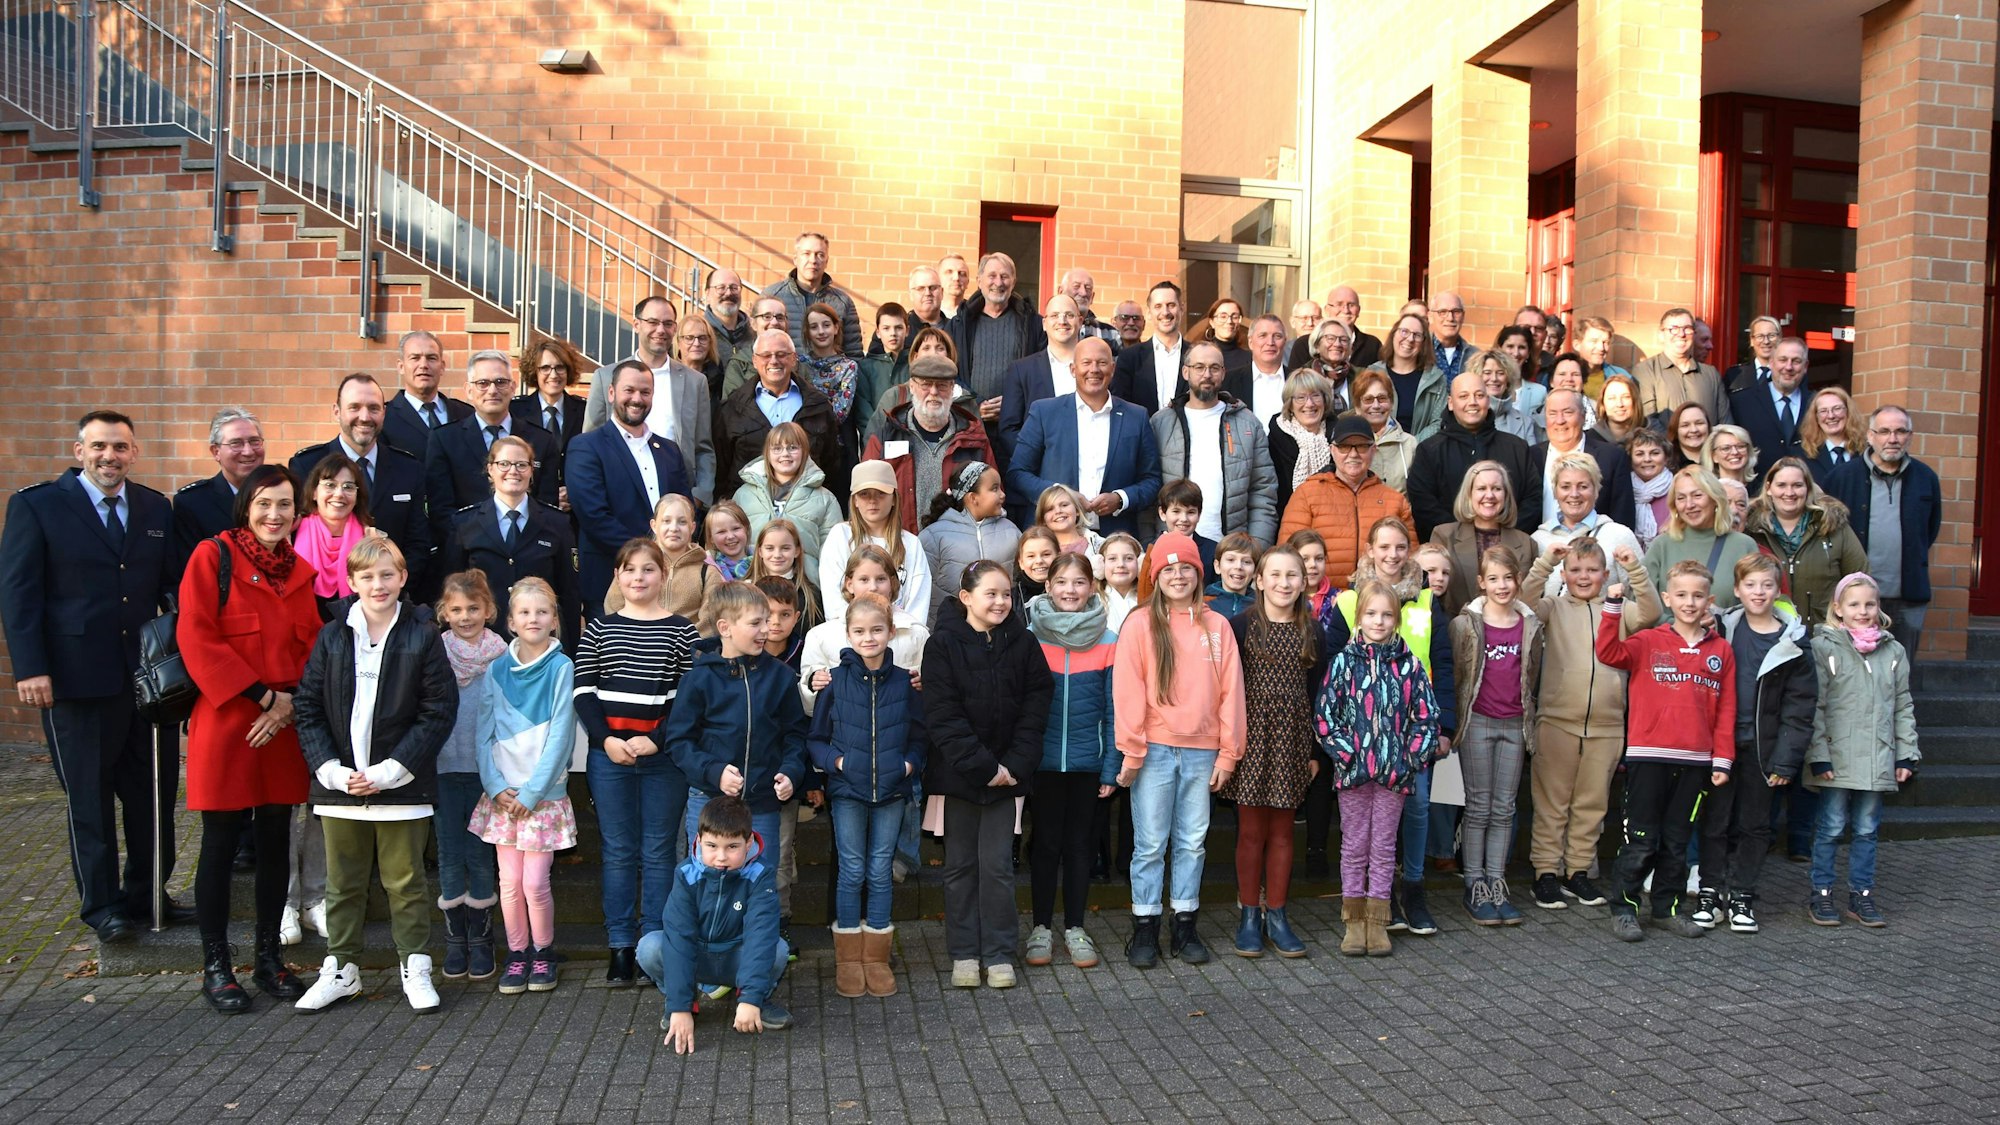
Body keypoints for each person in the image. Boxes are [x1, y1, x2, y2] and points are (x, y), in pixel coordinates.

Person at [0, 410, 180, 945]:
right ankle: (102, 907)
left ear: (134, 452)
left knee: (152, 794)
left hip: (148, 684)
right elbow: (19, 594)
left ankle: (149, 894)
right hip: (75, 681)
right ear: (79, 450)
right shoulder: (37, 505)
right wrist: (31, 668)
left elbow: (168, 588)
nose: (110, 456)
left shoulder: (154, 507)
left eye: (121, 447)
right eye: (99, 446)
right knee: (90, 798)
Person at [291, 536, 458, 1011]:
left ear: (403, 578)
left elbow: (438, 710)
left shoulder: (422, 635)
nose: (378, 584)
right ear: (350, 582)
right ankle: (341, 969)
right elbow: (307, 707)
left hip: (401, 786)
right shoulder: (331, 636)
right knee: (342, 884)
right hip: (340, 786)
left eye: (388, 574)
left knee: (404, 883)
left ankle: (416, 967)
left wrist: (390, 770)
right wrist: (331, 770)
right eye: (367, 576)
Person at [178, 465, 320, 1011]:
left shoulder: (301, 572)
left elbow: (312, 651)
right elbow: (197, 637)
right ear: (245, 506)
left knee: (274, 840)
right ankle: (215, 966)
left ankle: (267, 959)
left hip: (281, 725)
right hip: (230, 718)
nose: (274, 515)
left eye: (284, 505)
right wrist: (266, 699)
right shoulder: (212, 558)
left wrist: (286, 707)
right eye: (264, 503)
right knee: (218, 843)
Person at [1113, 532, 1245, 969]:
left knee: (1192, 842)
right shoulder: (1139, 624)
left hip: (1202, 752)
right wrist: (1132, 751)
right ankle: (1145, 926)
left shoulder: (1217, 625)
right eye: (1168, 569)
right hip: (1153, 752)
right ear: (1156, 576)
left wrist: (1229, 753)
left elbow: (1231, 693)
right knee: (1150, 844)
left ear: (1199, 573)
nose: (1177, 575)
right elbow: (1128, 691)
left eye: (1186, 567)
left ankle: (1184, 923)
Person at [922, 561, 1052, 988]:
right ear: (966, 598)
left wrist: (1012, 766)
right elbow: (942, 715)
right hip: (960, 776)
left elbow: (1036, 707)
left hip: (1008, 778)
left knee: (997, 866)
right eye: (989, 594)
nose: (999, 602)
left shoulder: (1024, 643)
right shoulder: (942, 645)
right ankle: (963, 953)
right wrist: (983, 766)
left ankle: (998, 952)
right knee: (960, 866)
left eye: (1004, 594)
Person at [574, 539, 698, 985]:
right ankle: (621, 947)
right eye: (629, 570)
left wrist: (656, 740)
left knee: (659, 851)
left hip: (662, 760)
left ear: (662, 575)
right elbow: (584, 692)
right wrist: (607, 740)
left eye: (648, 569)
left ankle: (655, 945)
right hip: (609, 759)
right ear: (618, 577)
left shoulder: (682, 630)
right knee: (619, 851)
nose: (638, 578)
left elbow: (688, 699)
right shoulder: (599, 630)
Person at [1595, 558, 1735, 943]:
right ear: (1667, 598)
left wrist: (1721, 759)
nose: (1690, 602)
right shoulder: (1648, 641)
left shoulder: (1720, 650)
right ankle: (1624, 908)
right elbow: (1608, 653)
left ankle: (1666, 908)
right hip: (1647, 757)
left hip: (1695, 762)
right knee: (1640, 838)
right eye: (1682, 595)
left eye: (1698, 595)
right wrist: (1612, 606)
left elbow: (1727, 709)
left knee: (1676, 841)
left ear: (1710, 600)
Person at [1334, 517, 1456, 936]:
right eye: (1383, 547)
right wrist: (1344, 747)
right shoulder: (1349, 603)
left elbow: (1441, 663)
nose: (1392, 555)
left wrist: (1442, 728)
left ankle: (1413, 890)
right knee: (1363, 836)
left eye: (1400, 547)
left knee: (1418, 808)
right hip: (1360, 746)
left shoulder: (1425, 599)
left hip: (1409, 742)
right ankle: (1367, 907)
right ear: (1370, 549)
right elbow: (1331, 684)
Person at [1522, 537, 1659, 910]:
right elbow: (1524, 602)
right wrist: (1545, 563)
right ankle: (1546, 873)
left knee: (1591, 804)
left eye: (1593, 570)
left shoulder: (1620, 608)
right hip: (1557, 721)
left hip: (1607, 725)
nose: (1584, 577)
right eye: (1576, 570)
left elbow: (1651, 612)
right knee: (1552, 802)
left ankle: (1578, 872)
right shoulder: (1554, 607)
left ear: (1605, 574)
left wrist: (1635, 569)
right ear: (1565, 575)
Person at [1317, 578, 1444, 958]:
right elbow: (1326, 717)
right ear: (1358, 618)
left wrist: (1409, 757)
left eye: (1386, 615)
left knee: (1385, 847)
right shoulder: (1343, 663)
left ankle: (1378, 920)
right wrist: (1347, 755)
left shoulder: (1410, 666)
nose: (1378, 621)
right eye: (1371, 614)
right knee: (1355, 846)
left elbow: (1427, 718)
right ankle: (1354, 921)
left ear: (1397, 620)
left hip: (1394, 775)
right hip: (1354, 775)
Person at [809, 593, 925, 997]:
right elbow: (816, 740)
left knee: (880, 870)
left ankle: (876, 956)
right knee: (852, 870)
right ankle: (848, 958)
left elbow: (919, 737)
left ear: (891, 632)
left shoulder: (905, 682)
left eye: (877, 630)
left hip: (892, 791)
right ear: (848, 634)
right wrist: (838, 764)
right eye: (859, 631)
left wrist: (908, 766)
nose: (869, 638)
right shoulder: (834, 682)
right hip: (847, 792)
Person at [1697, 554, 1816, 934]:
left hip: (1764, 752)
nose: (1759, 592)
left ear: (1777, 589)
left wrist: (1786, 761)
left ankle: (1743, 895)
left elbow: (1800, 709)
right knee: (1715, 823)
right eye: (1750, 585)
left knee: (1755, 825)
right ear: (1737, 590)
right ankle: (1711, 891)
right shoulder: (1721, 629)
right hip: (1721, 747)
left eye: (1766, 585)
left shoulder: (1793, 642)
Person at [471, 578, 578, 995]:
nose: (533, 619)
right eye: (524, 613)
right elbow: (483, 734)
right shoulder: (497, 668)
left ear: (554, 620)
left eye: (542, 612)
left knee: (535, 882)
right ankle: (517, 955)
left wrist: (533, 792)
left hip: (541, 798)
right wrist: (496, 786)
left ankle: (543, 951)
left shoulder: (560, 667)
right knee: (509, 883)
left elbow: (561, 736)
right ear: (511, 621)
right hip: (502, 798)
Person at [1221, 544, 1328, 958]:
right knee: (1250, 832)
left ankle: (1278, 915)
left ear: (1304, 582)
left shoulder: (1313, 629)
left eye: (1293, 575)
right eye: (1276, 575)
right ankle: (1250, 913)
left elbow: (1320, 692)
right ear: (1259, 581)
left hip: (1293, 742)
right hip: (1250, 740)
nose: (1284, 583)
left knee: (1283, 832)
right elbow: (1226, 689)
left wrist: (1316, 751)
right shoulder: (1240, 626)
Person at [1803, 573, 1920, 928]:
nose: (1863, 611)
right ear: (1838, 609)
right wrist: (1818, 753)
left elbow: (1903, 705)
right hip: (1836, 758)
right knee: (1831, 827)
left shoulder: (1893, 651)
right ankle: (1821, 894)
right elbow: (1816, 706)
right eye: (1854, 604)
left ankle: (1861, 895)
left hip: (1878, 756)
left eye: (1870, 604)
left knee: (1868, 829)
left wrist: (1906, 752)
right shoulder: (1824, 647)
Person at [1021, 551, 1118, 971]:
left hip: (1087, 764)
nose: (1070, 590)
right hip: (1040, 763)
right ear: (1047, 587)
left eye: (1079, 582)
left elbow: (1116, 708)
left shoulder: (1110, 640)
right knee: (1043, 846)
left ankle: (1075, 926)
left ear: (1092, 587)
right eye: (1061, 582)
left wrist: (1112, 764)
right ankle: (1041, 925)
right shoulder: (1028, 638)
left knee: (1080, 848)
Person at [666, 581, 809, 862]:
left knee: (760, 884)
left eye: (766, 621)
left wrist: (791, 771)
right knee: (708, 883)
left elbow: (795, 734)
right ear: (725, 628)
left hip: (763, 805)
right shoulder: (698, 679)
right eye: (756, 623)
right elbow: (679, 741)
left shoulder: (780, 677)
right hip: (709, 801)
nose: (766, 630)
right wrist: (714, 771)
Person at [647, 794, 793, 1051]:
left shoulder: (760, 875)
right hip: (698, 956)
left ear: (749, 843)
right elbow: (679, 938)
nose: (721, 857)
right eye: (712, 846)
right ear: (699, 840)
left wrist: (749, 998)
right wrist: (680, 1007)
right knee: (649, 947)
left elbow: (760, 936)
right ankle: (683, 1000)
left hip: (735, 956)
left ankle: (755, 1000)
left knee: (778, 949)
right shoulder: (685, 875)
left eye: (732, 847)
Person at [1448, 548, 1542, 926]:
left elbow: (1533, 675)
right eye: (1494, 579)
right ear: (1481, 583)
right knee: (1479, 806)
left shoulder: (1530, 624)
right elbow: (1457, 675)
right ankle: (1475, 884)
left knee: (1504, 808)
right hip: (1478, 724)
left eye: (1508, 578)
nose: (1502, 586)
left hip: (1514, 724)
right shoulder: (1465, 624)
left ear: (1518, 581)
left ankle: (1496, 881)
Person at [566, 360, 695, 614]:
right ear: (612, 393)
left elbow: (686, 509)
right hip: (609, 578)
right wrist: (651, 554)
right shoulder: (586, 447)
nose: (637, 399)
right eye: (629, 390)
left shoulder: (669, 450)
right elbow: (594, 516)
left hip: (668, 584)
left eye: (645, 392)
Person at [288, 374, 432, 592]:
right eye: (354, 407)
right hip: (321, 602)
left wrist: (391, 592)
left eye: (373, 408)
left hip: (392, 601)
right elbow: (296, 536)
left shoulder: (408, 468)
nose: (364, 417)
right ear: (337, 411)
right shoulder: (306, 466)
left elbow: (417, 544)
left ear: (384, 413)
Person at [1005, 337, 1161, 536]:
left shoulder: (1136, 417)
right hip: (1054, 537)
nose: (1094, 369)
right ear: (1073, 369)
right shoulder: (1045, 412)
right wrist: (1060, 495)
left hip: (1114, 541)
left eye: (1102, 363)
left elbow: (1152, 480)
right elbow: (1017, 473)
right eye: (1086, 362)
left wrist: (1121, 498)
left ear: (1112, 369)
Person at [431, 569, 506, 982]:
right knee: (449, 852)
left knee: (479, 853)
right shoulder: (435, 651)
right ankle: (455, 938)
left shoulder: (502, 656)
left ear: (489, 610)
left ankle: (481, 939)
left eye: (473, 608)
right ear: (445, 612)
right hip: (442, 767)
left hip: (484, 772)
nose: (465, 616)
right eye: (456, 609)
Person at [1823, 405, 1941, 661]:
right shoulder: (1841, 477)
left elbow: (1929, 530)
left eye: (1900, 431)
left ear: (1910, 436)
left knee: (1902, 669)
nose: (1892, 439)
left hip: (1908, 596)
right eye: (1884, 431)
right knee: (1854, 670)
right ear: (1870, 435)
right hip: (1856, 599)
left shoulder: (1926, 478)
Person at [438, 434, 579, 643]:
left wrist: (570, 649)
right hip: (482, 644)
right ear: (490, 469)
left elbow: (569, 593)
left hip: (539, 642)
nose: (513, 471)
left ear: (532, 471)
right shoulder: (464, 523)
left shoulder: (557, 523)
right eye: (504, 464)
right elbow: (451, 589)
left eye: (522, 464)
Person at [583, 299, 716, 503]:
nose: (660, 330)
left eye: (667, 323)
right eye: (653, 322)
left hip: (677, 496)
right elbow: (590, 442)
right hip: (618, 493)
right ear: (637, 325)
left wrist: (699, 497)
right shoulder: (605, 377)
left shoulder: (695, 382)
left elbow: (703, 448)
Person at [1151, 341, 1279, 546]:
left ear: (1223, 372)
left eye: (1214, 368)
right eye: (1199, 367)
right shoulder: (1162, 423)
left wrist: (1256, 546)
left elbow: (1263, 491)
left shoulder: (1248, 423)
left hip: (1230, 550)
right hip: (1172, 547)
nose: (1207, 374)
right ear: (1185, 372)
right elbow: (1150, 487)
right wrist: (1152, 542)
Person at [863, 355, 997, 534]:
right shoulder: (886, 435)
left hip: (957, 548)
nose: (933, 392)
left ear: (952, 389)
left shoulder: (975, 440)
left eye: (942, 385)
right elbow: (864, 494)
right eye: (925, 384)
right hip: (899, 544)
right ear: (912, 386)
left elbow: (994, 497)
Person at [1278, 414, 1416, 585]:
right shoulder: (1307, 494)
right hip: (1319, 604)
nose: (1353, 454)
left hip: (1378, 602)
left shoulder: (1394, 500)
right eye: (1344, 447)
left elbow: (1411, 562)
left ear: (1374, 450)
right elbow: (1286, 557)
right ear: (1332, 450)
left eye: (1362, 446)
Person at [1406, 371, 1539, 540]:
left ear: (1488, 400)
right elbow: (1423, 504)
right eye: (1463, 396)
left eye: (1479, 395)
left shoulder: (1516, 447)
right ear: (1451, 403)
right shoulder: (1430, 450)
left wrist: (1506, 537)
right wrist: (1462, 540)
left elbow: (1533, 498)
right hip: (1449, 552)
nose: (1472, 402)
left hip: (1509, 552)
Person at [715, 329, 843, 502]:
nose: (774, 361)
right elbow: (722, 466)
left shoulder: (818, 406)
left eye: (781, 354)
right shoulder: (733, 407)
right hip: (749, 507)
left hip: (804, 505)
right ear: (754, 360)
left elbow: (831, 463)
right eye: (766, 355)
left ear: (793, 359)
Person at [1743, 457, 1869, 626]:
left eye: (1797, 485)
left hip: (1824, 632)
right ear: (1769, 488)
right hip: (1766, 631)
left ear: (1808, 489)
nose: (1789, 493)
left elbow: (1860, 578)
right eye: (1781, 485)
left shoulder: (1833, 526)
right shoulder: (1751, 530)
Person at [820, 460, 932, 623]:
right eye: (864, 494)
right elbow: (834, 603)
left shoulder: (911, 544)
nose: (873, 500)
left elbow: (918, 606)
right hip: (849, 634)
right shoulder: (840, 536)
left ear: (894, 498)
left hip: (900, 634)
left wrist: (896, 632)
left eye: (881, 493)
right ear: (855, 500)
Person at [734, 422, 844, 580]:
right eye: (777, 448)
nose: (785, 454)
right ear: (767, 453)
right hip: (753, 585)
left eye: (793, 447)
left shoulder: (825, 499)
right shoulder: (743, 495)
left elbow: (834, 554)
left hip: (805, 587)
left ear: (805, 452)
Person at [1427, 460, 1535, 617]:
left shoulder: (1526, 543)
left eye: (1497, 488)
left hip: (1508, 633)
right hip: (1455, 631)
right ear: (1469, 494)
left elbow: (1529, 597)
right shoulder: (1444, 536)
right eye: (1481, 488)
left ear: (1506, 495)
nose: (1489, 495)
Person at [1643, 467, 1760, 611]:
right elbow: (1642, 604)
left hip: (1726, 632)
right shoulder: (1661, 545)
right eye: (1681, 498)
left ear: (1714, 499)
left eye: (1697, 495)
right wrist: (1677, 626)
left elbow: (1757, 603)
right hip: (1670, 631)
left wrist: (1720, 621)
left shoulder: (1743, 545)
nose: (1689, 505)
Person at [949, 252, 1047, 424]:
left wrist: (1014, 402)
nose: (998, 283)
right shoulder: (959, 325)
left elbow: (1042, 372)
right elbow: (950, 373)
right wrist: (974, 404)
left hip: (1018, 424)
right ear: (979, 281)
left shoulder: (1033, 324)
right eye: (992, 276)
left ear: (1013, 282)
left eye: (1004, 276)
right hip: (970, 424)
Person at [920, 462, 1020, 626]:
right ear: (973, 498)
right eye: (994, 488)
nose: (1002, 494)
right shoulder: (934, 536)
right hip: (949, 633)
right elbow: (922, 590)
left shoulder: (1011, 532)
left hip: (1002, 631)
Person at [173, 407, 269, 577]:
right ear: (216, 452)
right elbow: (188, 574)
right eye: (236, 443)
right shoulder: (193, 503)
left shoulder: (282, 495)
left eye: (254, 441)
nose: (248, 451)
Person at [1533, 452, 1644, 593]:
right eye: (1565, 487)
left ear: (1596, 491)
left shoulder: (1619, 535)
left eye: (1583, 486)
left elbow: (1642, 596)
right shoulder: (1537, 540)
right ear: (1555, 492)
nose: (1574, 494)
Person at [1531, 387, 1637, 529]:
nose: (1560, 420)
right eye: (1552, 413)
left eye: (1568, 412)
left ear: (1583, 416)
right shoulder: (1531, 457)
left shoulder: (1612, 457)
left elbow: (1623, 517)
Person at [996, 294, 1085, 461]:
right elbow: (1009, 429)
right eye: (1054, 315)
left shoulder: (1093, 369)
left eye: (1069, 315)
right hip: (1038, 474)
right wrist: (1038, 460)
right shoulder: (1021, 370)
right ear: (1044, 324)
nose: (1062, 321)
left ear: (1080, 322)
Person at [295, 455, 375, 622]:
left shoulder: (371, 539)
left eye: (348, 487)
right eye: (330, 485)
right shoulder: (292, 534)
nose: (339, 494)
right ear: (314, 492)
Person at [510, 337, 588, 495]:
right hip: (532, 503)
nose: (553, 375)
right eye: (545, 368)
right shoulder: (515, 411)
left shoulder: (584, 411)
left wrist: (573, 493)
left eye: (560, 367)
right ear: (534, 371)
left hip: (576, 505)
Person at [379, 329, 472, 457]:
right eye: (415, 358)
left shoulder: (466, 414)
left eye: (431, 358)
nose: (423, 365)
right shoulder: (384, 417)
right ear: (401, 366)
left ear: (442, 367)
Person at [1630, 307, 1731, 424]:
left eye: (1687, 328)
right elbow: (1648, 421)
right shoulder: (1645, 371)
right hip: (1663, 442)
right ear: (1661, 335)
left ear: (1693, 334)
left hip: (1708, 442)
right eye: (1674, 329)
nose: (1681, 334)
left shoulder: (1711, 374)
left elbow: (1725, 423)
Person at [770, 232, 862, 357]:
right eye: (806, 254)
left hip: (832, 375)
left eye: (820, 255)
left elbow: (854, 353)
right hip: (786, 374)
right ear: (795, 259)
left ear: (826, 261)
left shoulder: (842, 302)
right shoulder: (773, 297)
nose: (813, 260)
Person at [800, 301, 865, 473]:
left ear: (836, 328)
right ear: (807, 332)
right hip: (803, 448)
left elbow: (839, 413)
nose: (821, 331)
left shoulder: (848, 367)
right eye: (814, 327)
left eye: (826, 325)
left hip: (837, 451)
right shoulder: (799, 365)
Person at [1729, 338, 1809, 475]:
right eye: (1783, 360)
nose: (1788, 367)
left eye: (1796, 361)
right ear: (1771, 363)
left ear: (1805, 366)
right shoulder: (1742, 402)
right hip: (1757, 489)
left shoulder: (1816, 404)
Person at [1110, 280, 1188, 415]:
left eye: (1171, 305)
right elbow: (1120, 405)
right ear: (1149, 313)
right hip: (1143, 434)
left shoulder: (1196, 355)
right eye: (1158, 306)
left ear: (1181, 308)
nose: (1165, 312)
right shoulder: (1129, 358)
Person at [1268, 370, 1338, 515]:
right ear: (1290, 404)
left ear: (1325, 400)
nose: (1309, 404)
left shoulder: (1339, 436)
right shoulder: (1275, 439)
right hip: (1287, 522)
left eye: (1316, 395)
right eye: (1301, 397)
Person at [1371, 312, 1447, 440]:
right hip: (1376, 452)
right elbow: (1360, 413)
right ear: (1394, 334)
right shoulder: (1373, 373)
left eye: (1417, 335)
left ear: (1423, 343)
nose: (1410, 339)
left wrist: (1410, 446)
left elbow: (1438, 422)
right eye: (1404, 331)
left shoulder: (1435, 379)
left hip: (1419, 453)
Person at [1348, 369, 1419, 493]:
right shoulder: (1346, 444)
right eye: (1368, 399)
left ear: (1391, 403)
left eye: (1382, 398)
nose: (1376, 405)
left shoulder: (1410, 444)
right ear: (1357, 406)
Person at [701, 268, 753, 404]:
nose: (728, 293)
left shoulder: (754, 335)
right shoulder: (698, 335)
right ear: (707, 293)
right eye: (720, 288)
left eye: (734, 288)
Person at [857, 302, 912, 421]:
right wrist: (875, 437)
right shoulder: (865, 367)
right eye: (886, 328)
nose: (893, 333)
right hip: (876, 436)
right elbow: (863, 414)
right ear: (878, 332)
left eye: (898, 328)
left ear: (907, 331)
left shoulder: (916, 365)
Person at [1479, 349, 1544, 446]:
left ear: (1508, 378)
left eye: (1500, 373)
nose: (1494, 379)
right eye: (1487, 373)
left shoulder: (1525, 422)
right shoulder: (1467, 417)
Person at [1800, 386, 1866, 480]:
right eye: (1823, 411)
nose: (1831, 416)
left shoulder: (1866, 452)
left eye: (1837, 408)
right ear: (1816, 417)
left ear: (1848, 412)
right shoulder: (1802, 454)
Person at [1627, 429, 1675, 550]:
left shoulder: (1678, 488)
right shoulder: (1623, 489)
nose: (1647, 459)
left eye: (1654, 453)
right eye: (1639, 454)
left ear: (1666, 457)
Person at [1241, 314, 1291, 428]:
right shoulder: (1230, 382)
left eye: (1277, 336)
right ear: (1250, 342)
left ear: (1285, 342)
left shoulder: (1298, 381)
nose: (1270, 342)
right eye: (1262, 335)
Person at [1034, 485, 1103, 561]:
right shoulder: (1037, 551)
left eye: (1064, 505)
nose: (1058, 511)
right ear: (1043, 519)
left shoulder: (1101, 546)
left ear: (1077, 510)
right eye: (1050, 509)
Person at [1191, 296, 1253, 380]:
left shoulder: (1250, 358)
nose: (1229, 321)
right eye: (1223, 317)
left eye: (1235, 317)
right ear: (1212, 322)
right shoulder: (1198, 355)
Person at [1571, 317, 1630, 403]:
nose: (1601, 348)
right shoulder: (1561, 375)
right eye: (1594, 341)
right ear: (1577, 345)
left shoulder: (1622, 377)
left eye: (1605, 342)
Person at [1325, 285, 1384, 369]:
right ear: (1327, 309)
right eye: (1339, 304)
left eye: (1351, 305)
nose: (1346, 310)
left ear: (1359, 310)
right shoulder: (1306, 344)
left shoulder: (1373, 345)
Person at [1723, 316, 1784, 393]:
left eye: (1771, 336)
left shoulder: (1789, 373)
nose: (1766, 341)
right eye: (1760, 336)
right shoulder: (1734, 374)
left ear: (1780, 339)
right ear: (1752, 340)